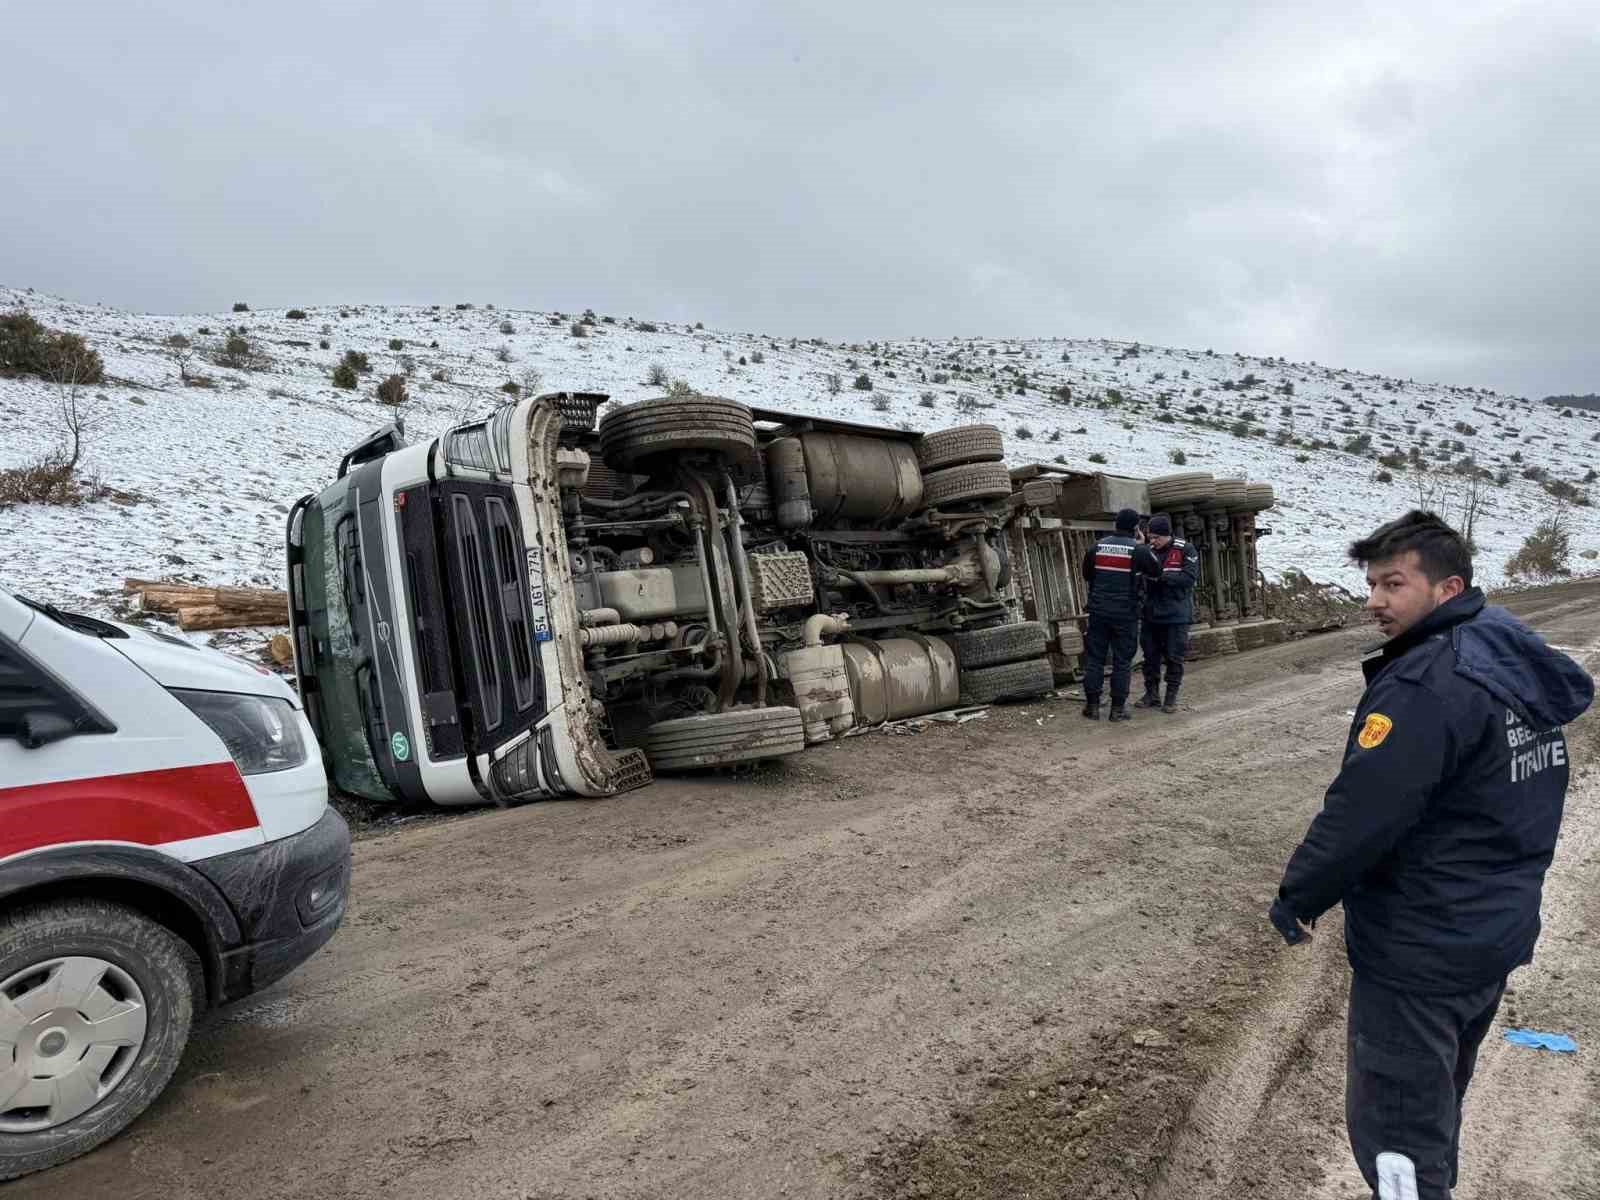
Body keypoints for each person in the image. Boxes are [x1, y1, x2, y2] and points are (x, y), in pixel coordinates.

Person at [1268, 510, 1592, 1200]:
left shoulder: (1426, 684)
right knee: (1433, 1107)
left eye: (1393, 585)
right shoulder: (1504, 651)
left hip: (1422, 948)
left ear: (1447, 590)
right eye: (1371, 584)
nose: (1374, 602)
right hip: (1490, 931)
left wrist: (1299, 893)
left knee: (1396, 1139)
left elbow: (1364, 809)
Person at [1079, 507, 1159, 721]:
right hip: (1126, 615)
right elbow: (1156, 571)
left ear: (1115, 525)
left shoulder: (1097, 547)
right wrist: (1143, 546)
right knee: (1122, 661)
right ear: (1136, 528)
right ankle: (1117, 710)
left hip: (1098, 612)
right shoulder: (1138, 549)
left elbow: (1087, 574)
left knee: (1095, 660)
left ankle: (1093, 707)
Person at [1134, 513, 1200, 713]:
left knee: (1174, 656)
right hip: (1151, 613)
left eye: (1157, 538)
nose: (1153, 541)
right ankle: (1151, 694)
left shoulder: (1185, 549)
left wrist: (1161, 577)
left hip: (1176, 614)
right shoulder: (1148, 551)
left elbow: (1188, 578)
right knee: (1150, 657)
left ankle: (1170, 697)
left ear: (1167, 535)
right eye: (1150, 537)